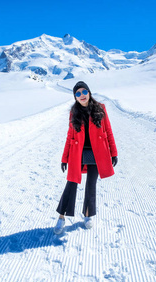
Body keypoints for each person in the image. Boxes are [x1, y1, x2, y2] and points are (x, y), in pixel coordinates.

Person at [54, 81, 118, 234]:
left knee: (91, 184)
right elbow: (70, 136)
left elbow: (108, 131)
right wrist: (64, 158)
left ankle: (88, 215)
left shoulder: (100, 108)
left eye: (84, 92)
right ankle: (61, 217)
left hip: (98, 154)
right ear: (75, 97)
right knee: (71, 184)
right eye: (78, 93)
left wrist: (113, 152)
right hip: (77, 154)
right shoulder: (73, 112)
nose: (81, 95)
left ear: (89, 93)